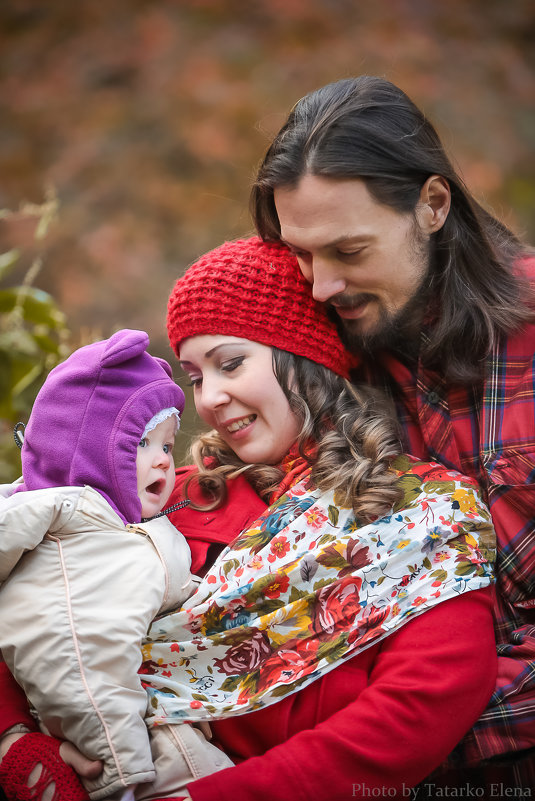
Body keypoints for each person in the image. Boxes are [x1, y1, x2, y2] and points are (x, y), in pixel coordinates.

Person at [0, 237, 497, 801]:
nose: (209, 398)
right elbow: (35, 597)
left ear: (305, 355)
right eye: (194, 377)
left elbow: (419, 705)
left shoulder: (422, 510)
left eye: (230, 363)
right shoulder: (164, 499)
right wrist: (16, 741)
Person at [250, 76, 535, 786]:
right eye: (302, 255)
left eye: (347, 251)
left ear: (432, 205)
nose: (319, 286)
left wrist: (434, 714)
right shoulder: (318, 364)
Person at [0, 328, 232, 801]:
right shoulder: (61, 514)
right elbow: (78, 664)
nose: (164, 462)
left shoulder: (150, 526)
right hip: (108, 743)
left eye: (167, 447)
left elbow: (178, 595)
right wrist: (15, 741)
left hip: (167, 729)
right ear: (89, 446)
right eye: (143, 443)